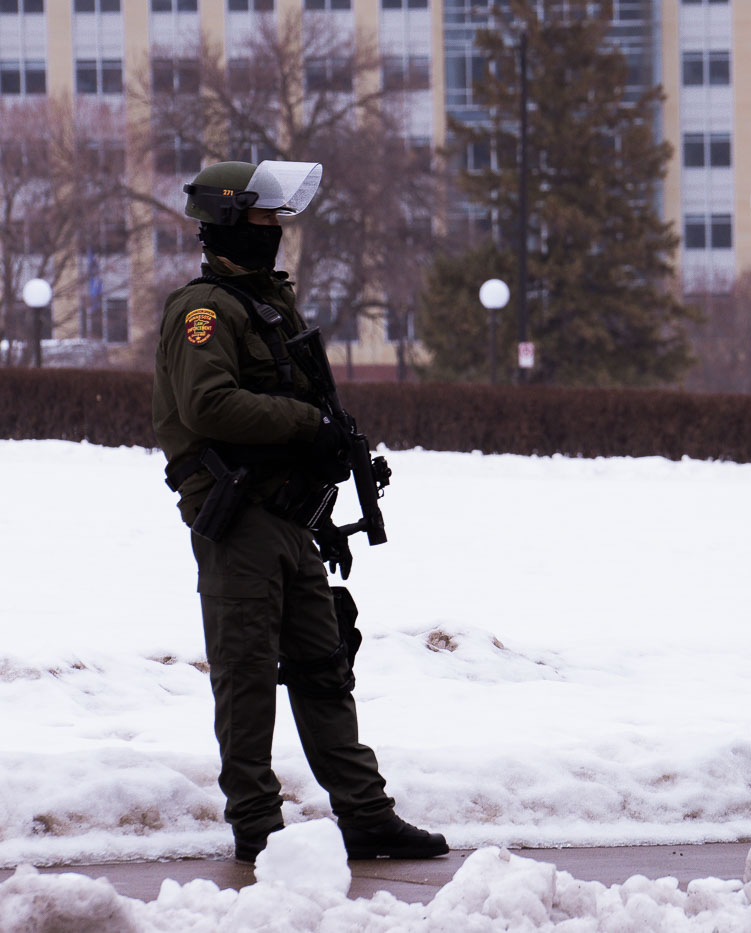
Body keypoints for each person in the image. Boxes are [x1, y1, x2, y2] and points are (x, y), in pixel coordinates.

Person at [152, 160, 448, 864]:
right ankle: (256, 823)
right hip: (241, 518)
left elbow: (302, 407)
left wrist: (326, 471)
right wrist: (304, 426)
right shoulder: (205, 310)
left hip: (288, 520)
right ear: (228, 222)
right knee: (247, 670)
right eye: (263, 221)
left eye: (277, 221)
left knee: (324, 662)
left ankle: (366, 814)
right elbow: (208, 405)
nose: (275, 233)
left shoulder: (269, 303)